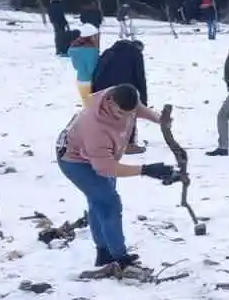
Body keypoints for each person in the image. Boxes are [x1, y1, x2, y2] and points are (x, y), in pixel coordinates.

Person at [56, 83, 175, 275]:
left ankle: (104, 252)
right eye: (121, 113)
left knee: (99, 201)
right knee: (109, 202)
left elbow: (138, 108)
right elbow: (105, 168)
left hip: (103, 155)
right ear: (110, 102)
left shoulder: (126, 98)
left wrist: (159, 119)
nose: (126, 118)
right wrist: (146, 170)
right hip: (75, 161)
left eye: (130, 113)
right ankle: (120, 258)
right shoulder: (93, 125)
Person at [91, 39, 149, 155]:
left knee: (106, 116)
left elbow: (96, 72)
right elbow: (140, 77)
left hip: (103, 89)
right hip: (123, 88)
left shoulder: (108, 52)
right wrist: (143, 100)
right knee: (128, 114)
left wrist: (93, 92)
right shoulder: (135, 54)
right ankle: (128, 145)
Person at [67, 24, 102, 105]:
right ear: (91, 37)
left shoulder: (74, 49)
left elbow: (75, 67)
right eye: (95, 36)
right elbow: (92, 69)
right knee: (93, 107)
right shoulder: (92, 51)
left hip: (80, 81)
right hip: (90, 82)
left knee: (87, 106)